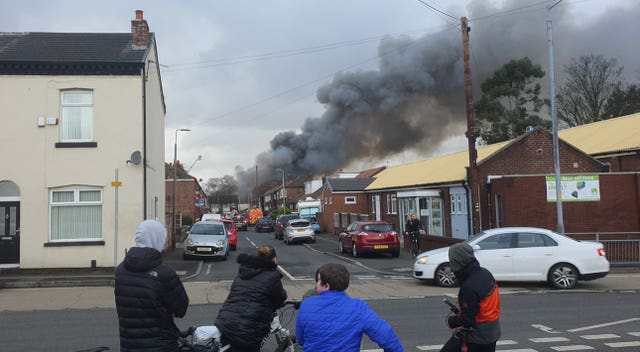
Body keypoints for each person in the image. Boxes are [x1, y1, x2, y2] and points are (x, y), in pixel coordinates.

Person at [114, 219, 189, 352]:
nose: (165, 242)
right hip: (161, 346)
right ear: (156, 239)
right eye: (163, 238)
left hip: (128, 346)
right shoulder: (164, 274)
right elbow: (181, 309)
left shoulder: (120, 271)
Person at [296, 263, 404, 352]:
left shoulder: (307, 304)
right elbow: (387, 337)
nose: (317, 284)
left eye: (319, 281)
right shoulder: (358, 307)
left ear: (326, 286)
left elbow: (300, 340)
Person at [215, 245, 288, 351]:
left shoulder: (243, 271)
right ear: (274, 259)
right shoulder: (272, 276)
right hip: (247, 330)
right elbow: (280, 298)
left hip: (225, 322)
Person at [446, 242, 501, 352]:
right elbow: (481, 306)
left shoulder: (468, 287)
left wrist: (452, 321)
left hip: (478, 337)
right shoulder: (485, 273)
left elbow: (467, 321)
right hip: (493, 331)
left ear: (457, 262)